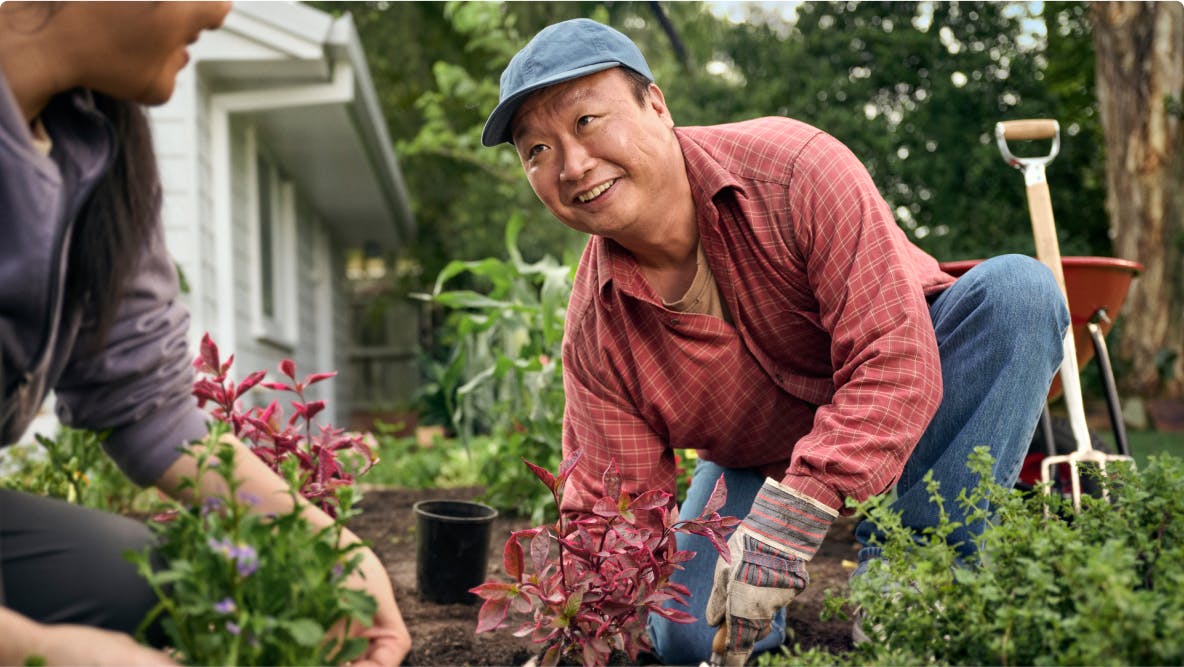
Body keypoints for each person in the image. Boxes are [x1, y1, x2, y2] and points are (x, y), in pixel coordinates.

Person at [481, 18, 1069, 666]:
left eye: (587, 121)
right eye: (536, 151)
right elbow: (614, 510)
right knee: (685, 634)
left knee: (1019, 293)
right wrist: (577, 627)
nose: (571, 164)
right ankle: (757, 622)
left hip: (926, 380)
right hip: (759, 452)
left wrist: (797, 513)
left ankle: (918, 584)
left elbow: (895, 360)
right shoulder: (599, 328)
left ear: (656, 103)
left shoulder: (794, 170)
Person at [0, 3, 410, 665]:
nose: (221, 10)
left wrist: (332, 550)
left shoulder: (92, 135)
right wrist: (39, 649)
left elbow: (148, 405)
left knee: (145, 582)